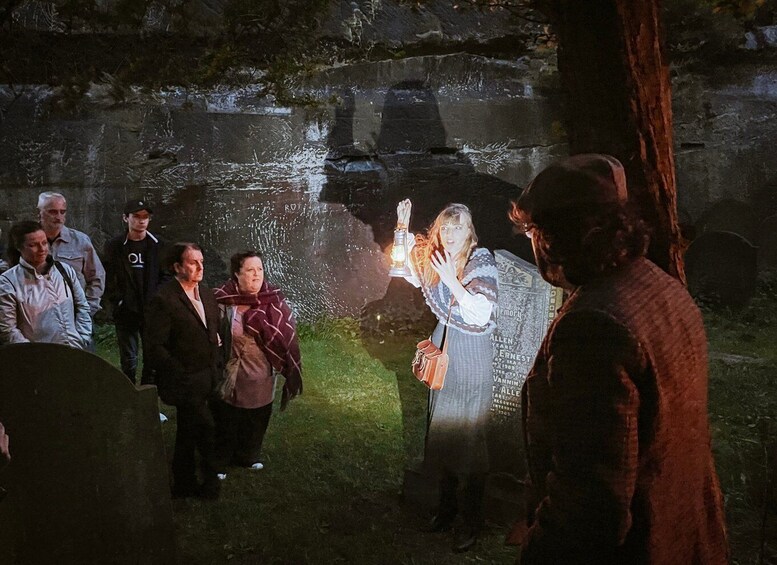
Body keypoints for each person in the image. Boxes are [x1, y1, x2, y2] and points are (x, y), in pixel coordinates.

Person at [508, 154, 728, 564]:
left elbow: (592, 505)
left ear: (555, 236)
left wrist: (538, 551)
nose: (531, 243)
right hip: (685, 534)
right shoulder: (661, 286)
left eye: (531, 231)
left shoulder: (594, 328)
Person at [395, 199, 498, 553]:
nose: (451, 234)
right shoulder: (435, 258)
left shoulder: (481, 260)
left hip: (471, 355)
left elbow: (481, 312)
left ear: (470, 231)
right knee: (441, 429)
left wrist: (453, 279)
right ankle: (445, 510)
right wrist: (402, 228)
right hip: (445, 345)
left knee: (468, 436)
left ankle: (470, 522)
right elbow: (404, 269)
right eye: (446, 227)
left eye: (458, 227)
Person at [212, 251, 303, 478]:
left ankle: (249, 456)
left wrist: (286, 361)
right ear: (237, 273)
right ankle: (221, 461)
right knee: (227, 418)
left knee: (258, 416)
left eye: (260, 269)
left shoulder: (274, 300)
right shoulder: (223, 301)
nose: (256, 275)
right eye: (250, 270)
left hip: (262, 373)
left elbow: (286, 334)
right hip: (233, 371)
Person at [145, 243, 222, 500]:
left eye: (201, 261)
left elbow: (211, 328)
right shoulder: (164, 299)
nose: (200, 267)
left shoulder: (206, 294)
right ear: (177, 267)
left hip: (207, 375)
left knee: (189, 431)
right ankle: (209, 481)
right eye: (192, 262)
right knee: (206, 428)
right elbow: (154, 345)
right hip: (185, 379)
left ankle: (184, 483)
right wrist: (178, 371)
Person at [103, 199, 167, 385]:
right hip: (126, 311)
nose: (141, 221)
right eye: (136, 216)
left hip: (152, 312)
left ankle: (147, 399)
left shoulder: (158, 244)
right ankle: (129, 395)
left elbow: (167, 275)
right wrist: (119, 301)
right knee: (129, 359)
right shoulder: (115, 245)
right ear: (125, 218)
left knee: (152, 358)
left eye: (145, 217)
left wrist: (156, 300)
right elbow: (108, 276)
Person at [0, 221, 91, 348]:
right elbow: (8, 328)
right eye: (33, 245)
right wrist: (33, 354)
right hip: (39, 357)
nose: (42, 249)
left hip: (74, 350)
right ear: (19, 247)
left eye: (44, 242)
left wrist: (82, 337)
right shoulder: (8, 281)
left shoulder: (64, 270)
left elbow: (82, 306)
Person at [37, 192, 105, 320]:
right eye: (53, 212)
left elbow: (97, 277)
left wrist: (87, 309)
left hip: (75, 313)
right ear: (39, 212)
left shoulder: (80, 241)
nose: (59, 217)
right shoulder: (29, 241)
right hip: (39, 315)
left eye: (62, 212)